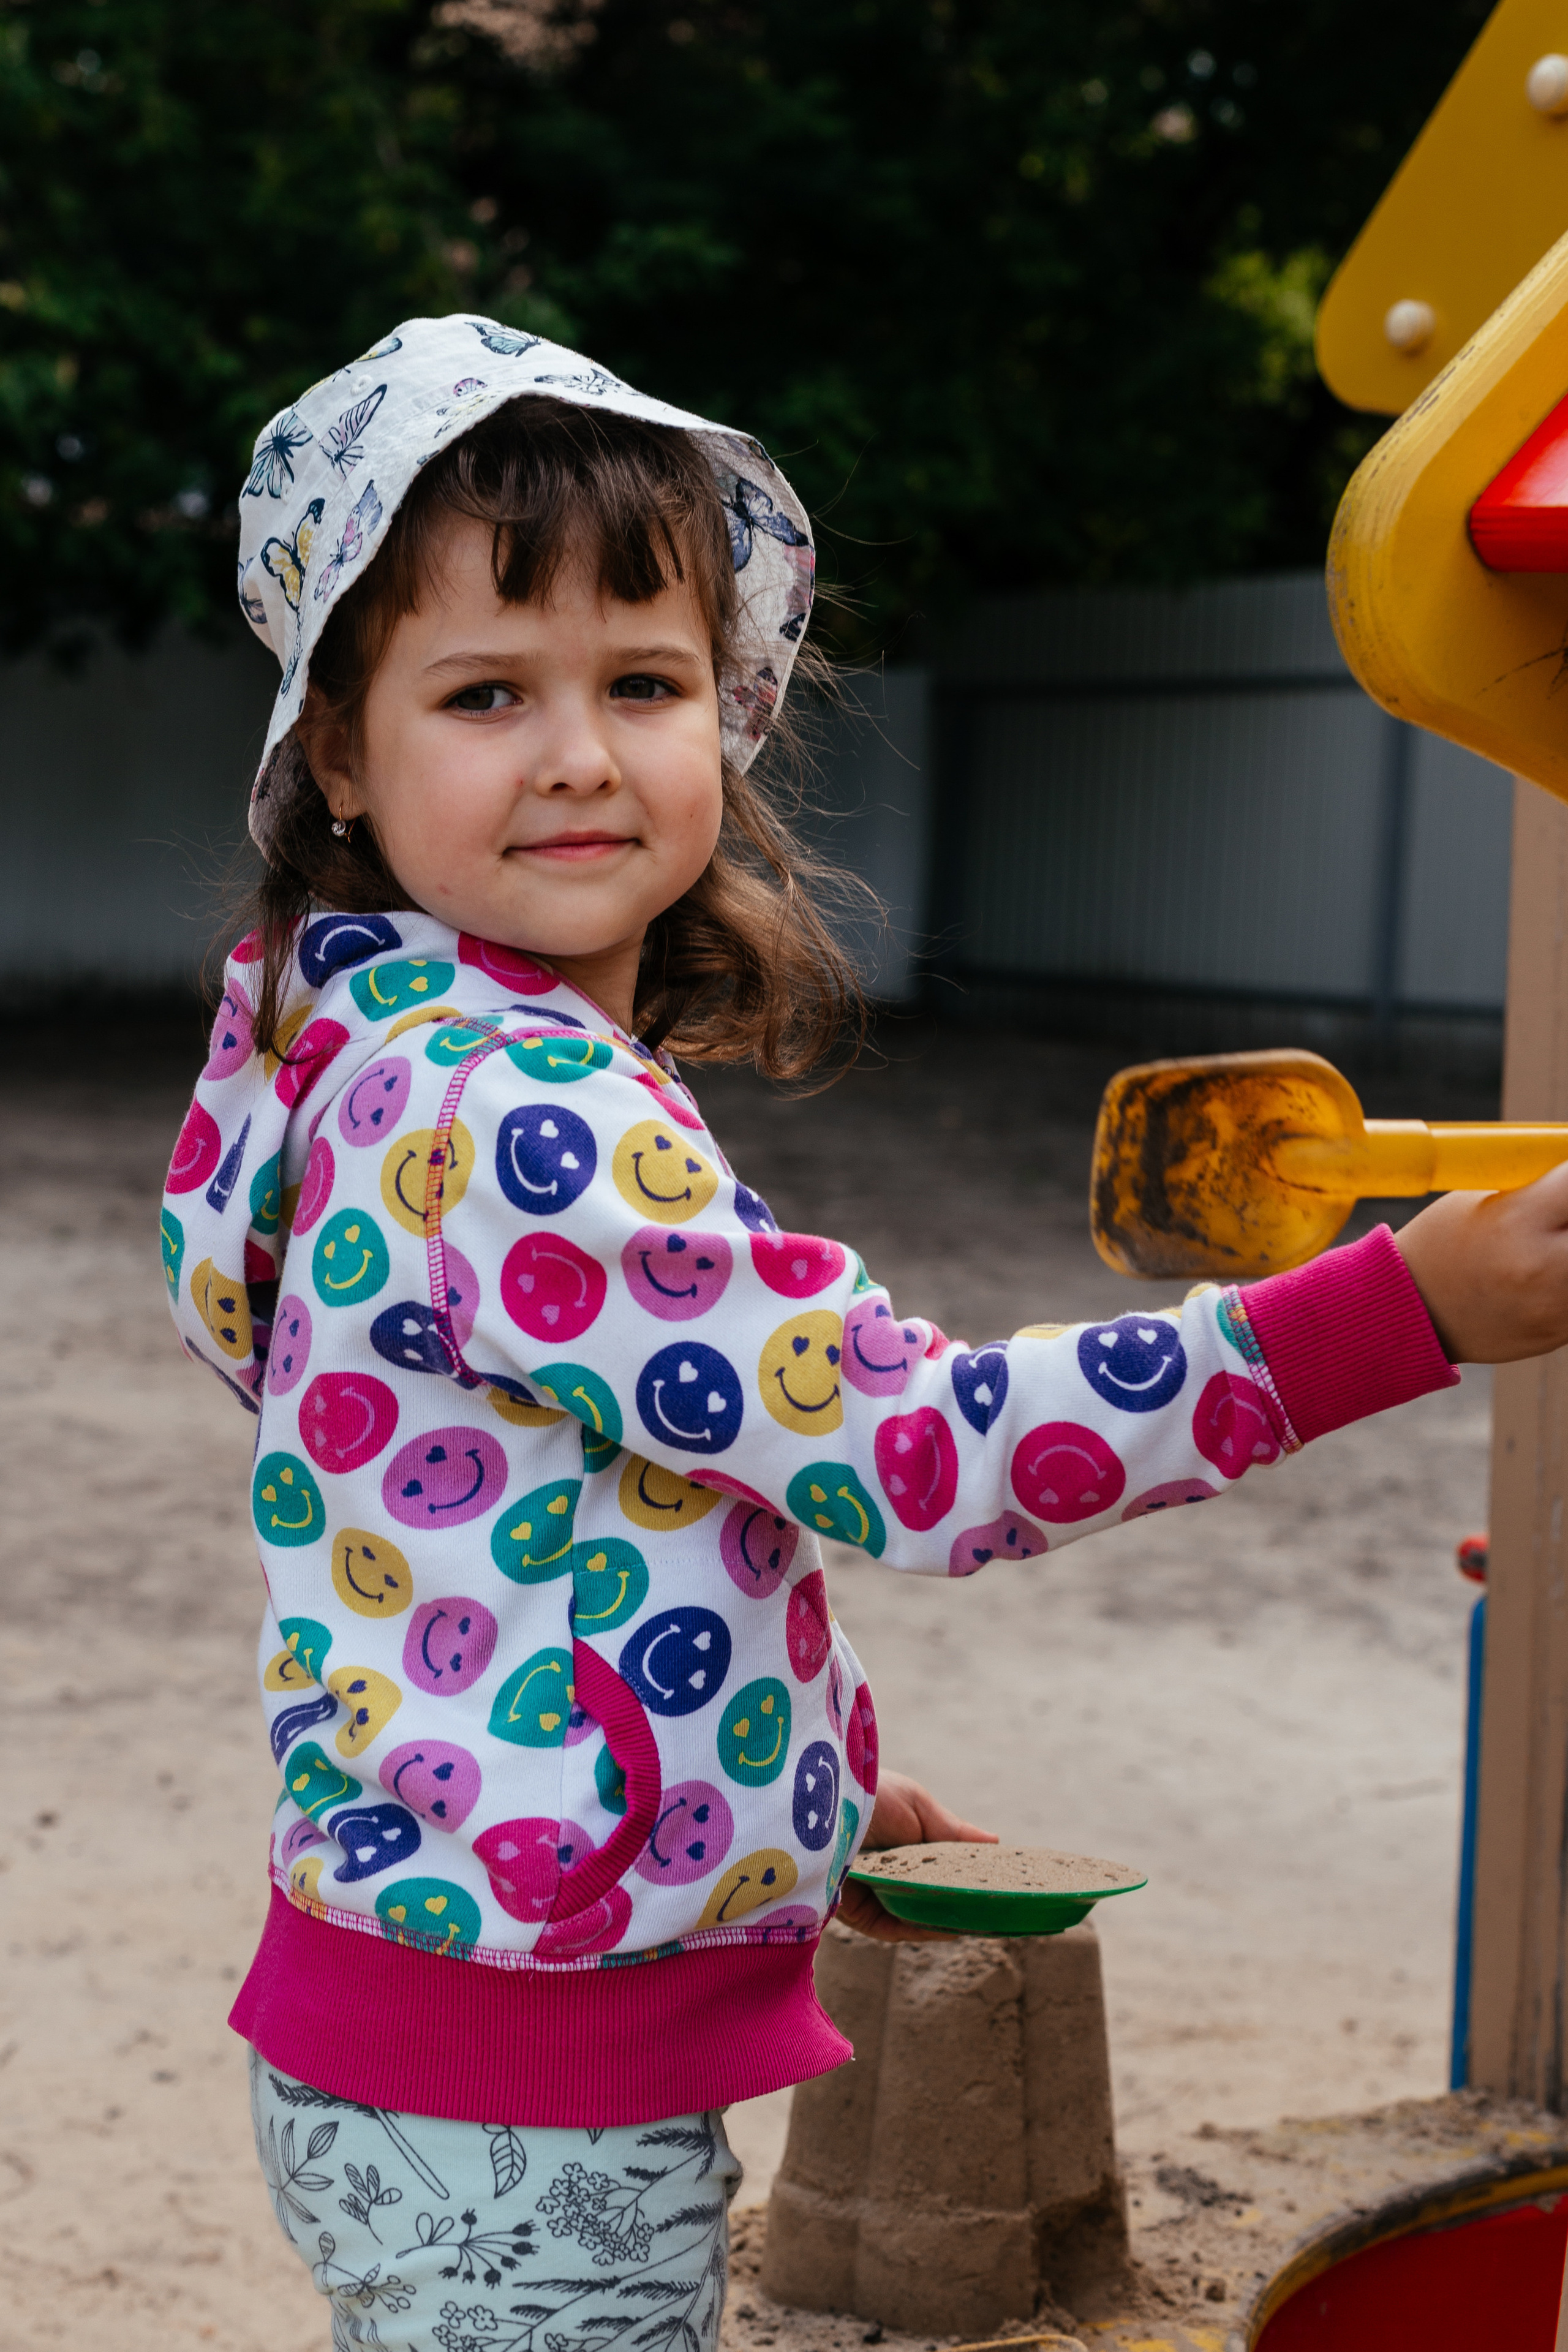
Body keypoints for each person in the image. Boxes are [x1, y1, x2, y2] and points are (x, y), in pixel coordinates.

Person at [164, 313, 1568, 2352]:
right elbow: (916, 1449)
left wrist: (790, 1790)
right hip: (522, 2108)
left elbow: (521, 1519)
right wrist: (1392, 1316)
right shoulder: (518, 1117)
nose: (578, 750)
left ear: (724, 716)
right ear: (343, 763)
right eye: (488, 691)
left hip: (423, 2033)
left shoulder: (351, 1040)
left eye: (641, 682)